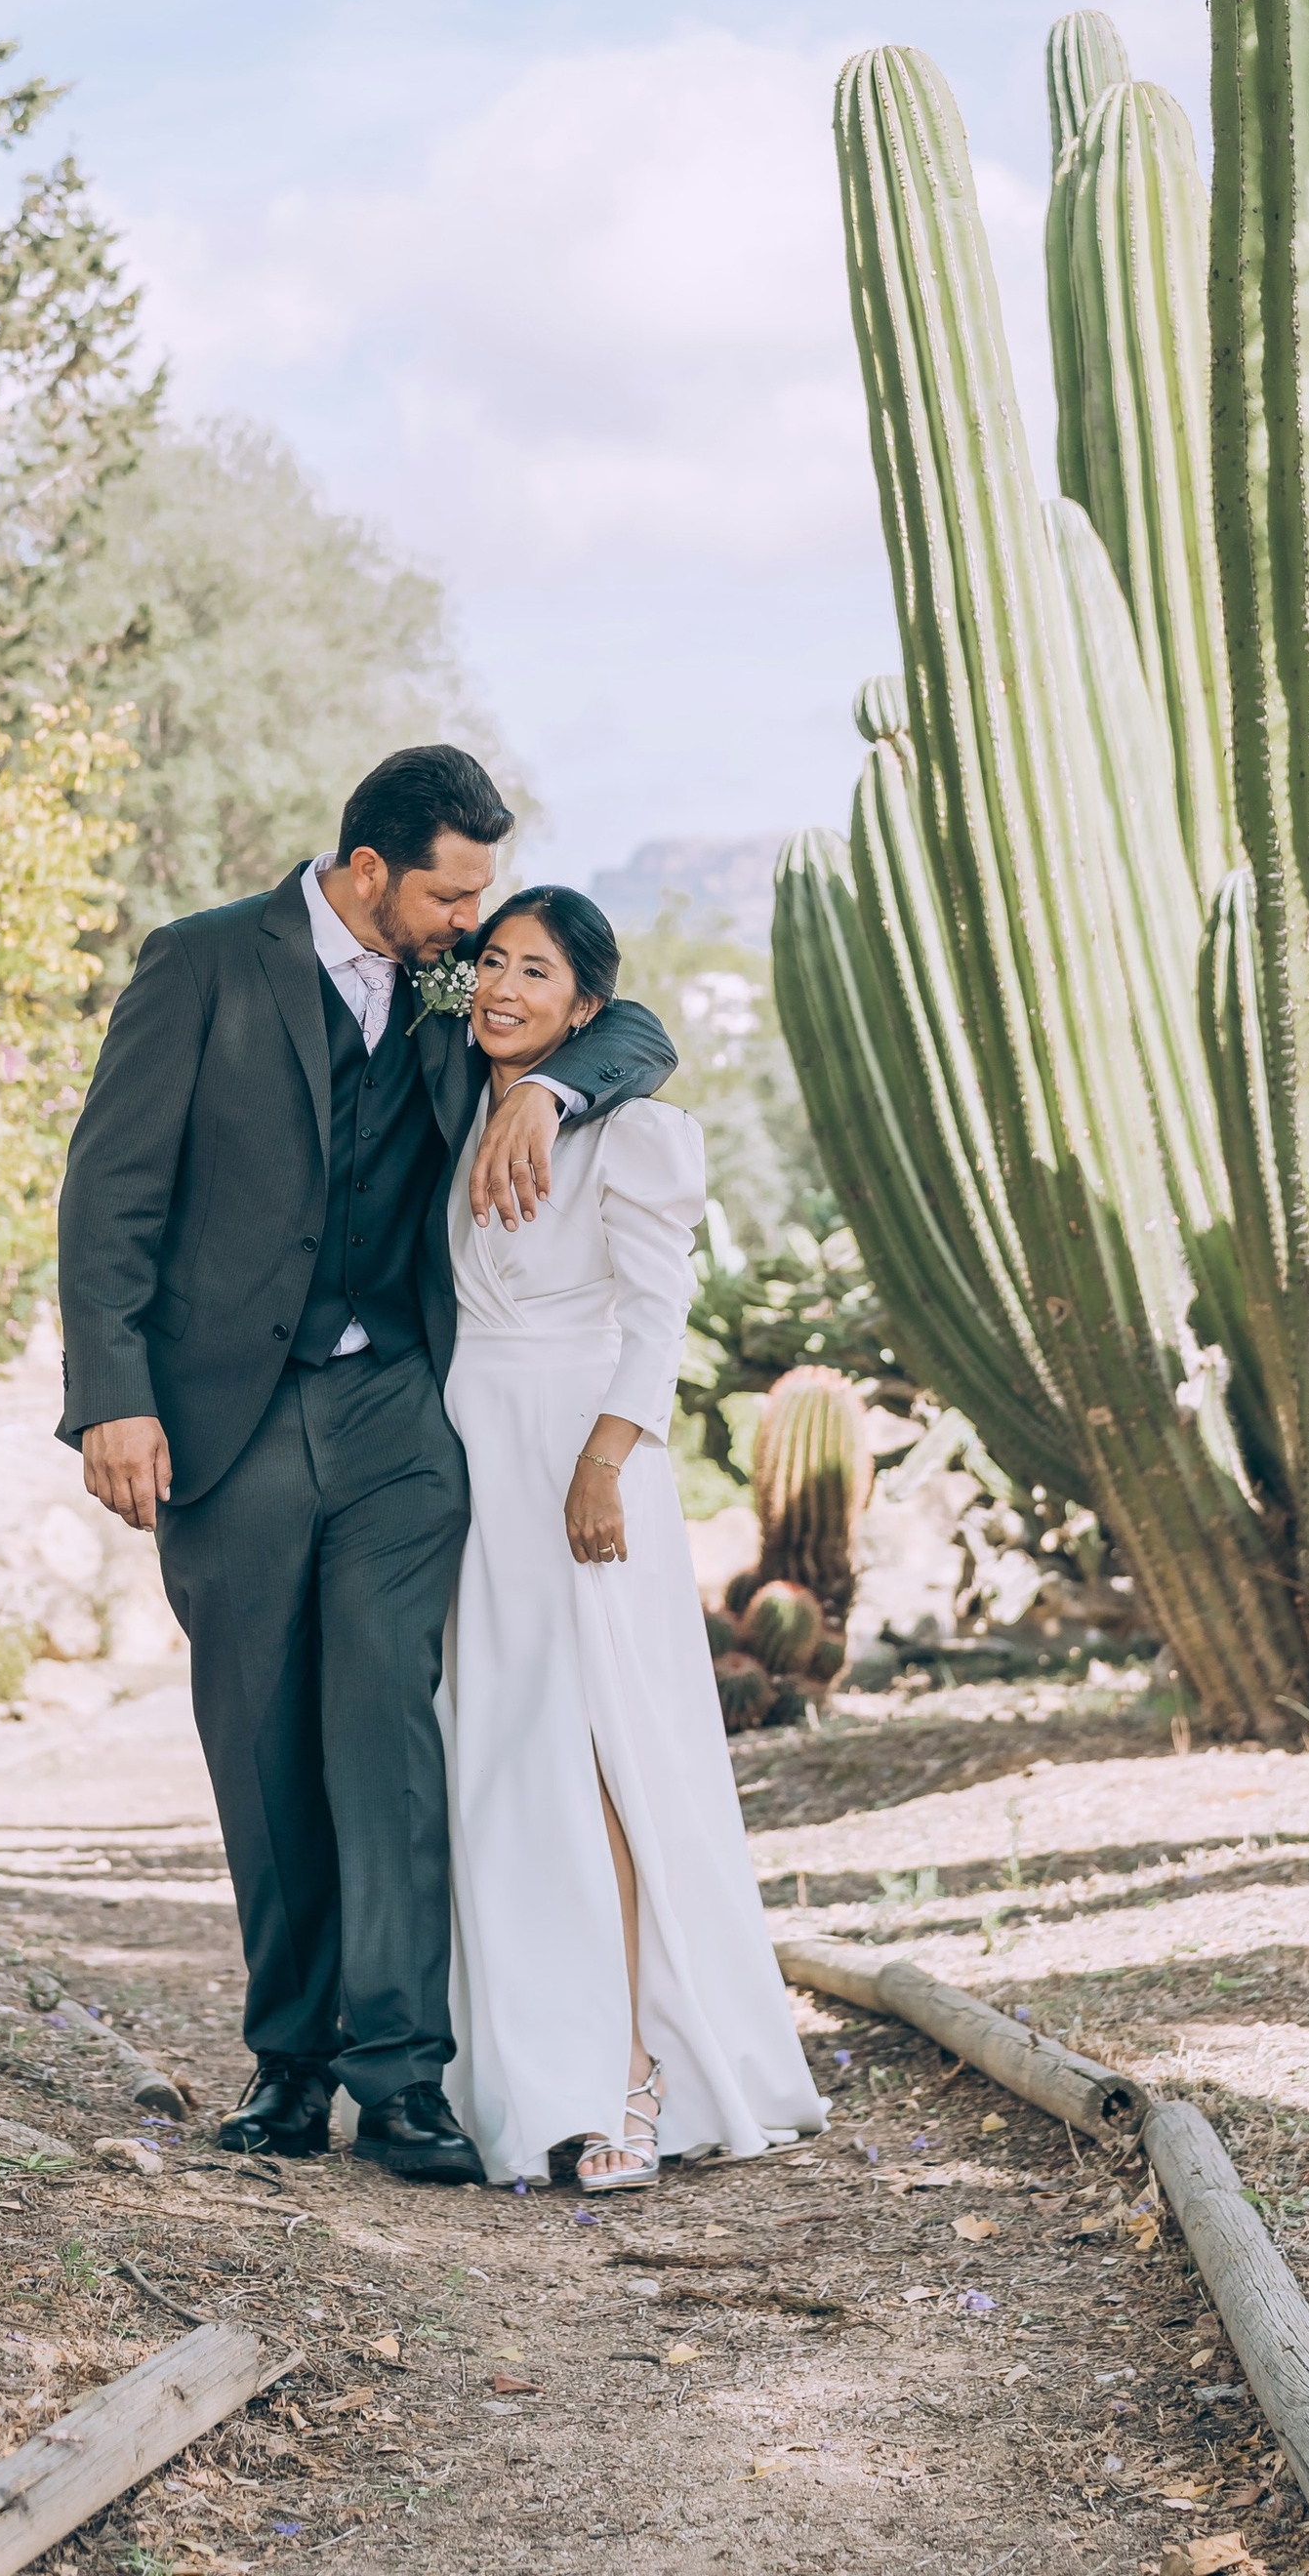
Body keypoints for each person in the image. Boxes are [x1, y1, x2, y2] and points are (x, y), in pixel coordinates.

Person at [56, 744, 676, 2184]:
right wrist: (113, 1399)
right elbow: (111, 1192)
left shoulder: (453, 984)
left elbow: (630, 1026)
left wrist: (550, 1096)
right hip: (230, 1416)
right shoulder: (203, 964)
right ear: (371, 870)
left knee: (391, 1732)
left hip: (401, 1412)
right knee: (264, 1744)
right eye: (453, 896)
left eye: (482, 903)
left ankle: (403, 2080)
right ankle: (290, 2067)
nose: (472, 927)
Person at [439, 883, 825, 2190]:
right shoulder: (456, 1090)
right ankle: (511, 2064)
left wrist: (608, 1460)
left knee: (600, 1750)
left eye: (535, 971)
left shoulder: (632, 1131)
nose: (501, 987)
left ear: (587, 1006)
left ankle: (635, 2074)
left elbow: (655, 1322)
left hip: (579, 1453)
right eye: (490, 961)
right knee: (502, 1753)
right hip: (473, 1453)